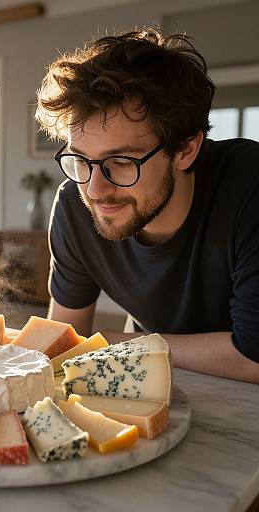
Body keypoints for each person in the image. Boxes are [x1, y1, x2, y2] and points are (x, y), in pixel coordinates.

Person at [37, 28, 259, 383]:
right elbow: (61, 341)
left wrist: (106, 343)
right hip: (157, 380)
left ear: (185, 149)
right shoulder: (73, 205)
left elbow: (254, 359)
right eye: (80, 160)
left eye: (123, 161)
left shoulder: (251, 191)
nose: (95, 189)